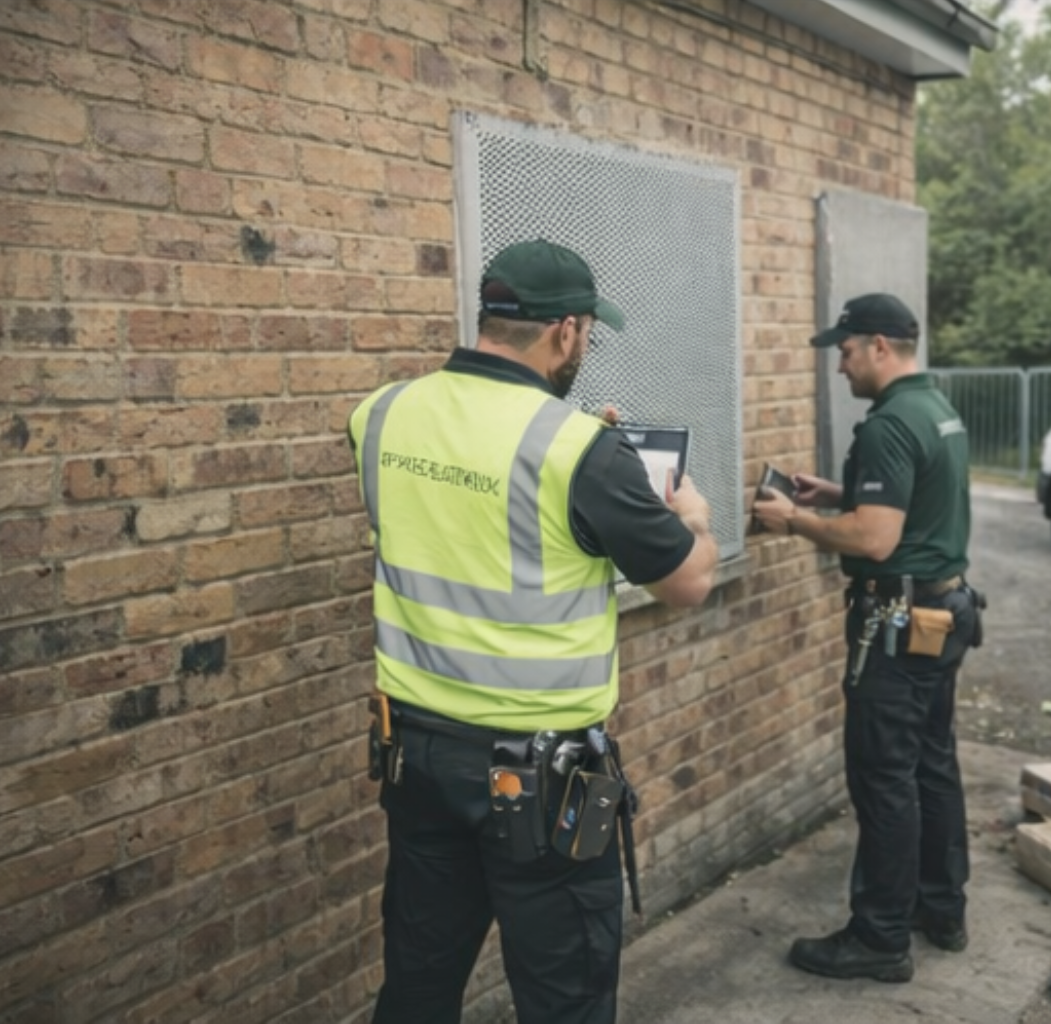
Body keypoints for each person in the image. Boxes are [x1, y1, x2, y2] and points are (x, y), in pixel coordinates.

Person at [348, 238, 718, 1024]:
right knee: (564, 1002)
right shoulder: (580, 450)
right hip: (539, 789)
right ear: (566, 332)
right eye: (587, 333)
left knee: (417, 986)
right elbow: (687, 582)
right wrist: (691, 519)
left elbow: (470, 507)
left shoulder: (380, 416)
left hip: (417, 762)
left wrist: (594, 457)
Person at [752, 292, 982, 983]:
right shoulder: (934, 410)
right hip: (945, 616)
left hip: (895, 626)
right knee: (931, 767)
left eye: (846, 350)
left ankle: (880, 938)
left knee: (884, 780)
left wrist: (794, 520)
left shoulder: (887, 424)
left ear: (880, 345)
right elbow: (905, 509)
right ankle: (940, 910)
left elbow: (875, 538)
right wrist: (837, 492)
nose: (840, 365)